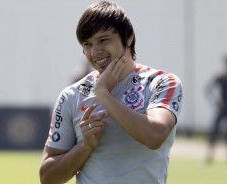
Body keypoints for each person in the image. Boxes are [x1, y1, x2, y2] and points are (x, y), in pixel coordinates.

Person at [39, 1, 183, 183]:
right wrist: (84, 147)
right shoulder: (71, 96)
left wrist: (103, 94)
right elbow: (47, 177)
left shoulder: (161, 82)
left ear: (128, 37)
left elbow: (154, 136)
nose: (95, 51)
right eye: (87, 44)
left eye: (104, 40)